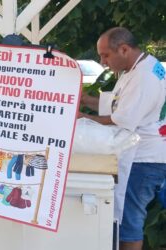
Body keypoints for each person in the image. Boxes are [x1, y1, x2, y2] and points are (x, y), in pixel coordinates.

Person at [78, 27, 165, 250]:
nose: (103, 61)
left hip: (145, 158)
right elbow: (118, 104)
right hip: (141, 153)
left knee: (129, 221)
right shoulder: (136, 68)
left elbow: (120, 119)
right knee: (127, 220)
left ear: (124, 49)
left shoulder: (144, 76)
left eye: (105, 55)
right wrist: (85, 99)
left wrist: (81, 117)